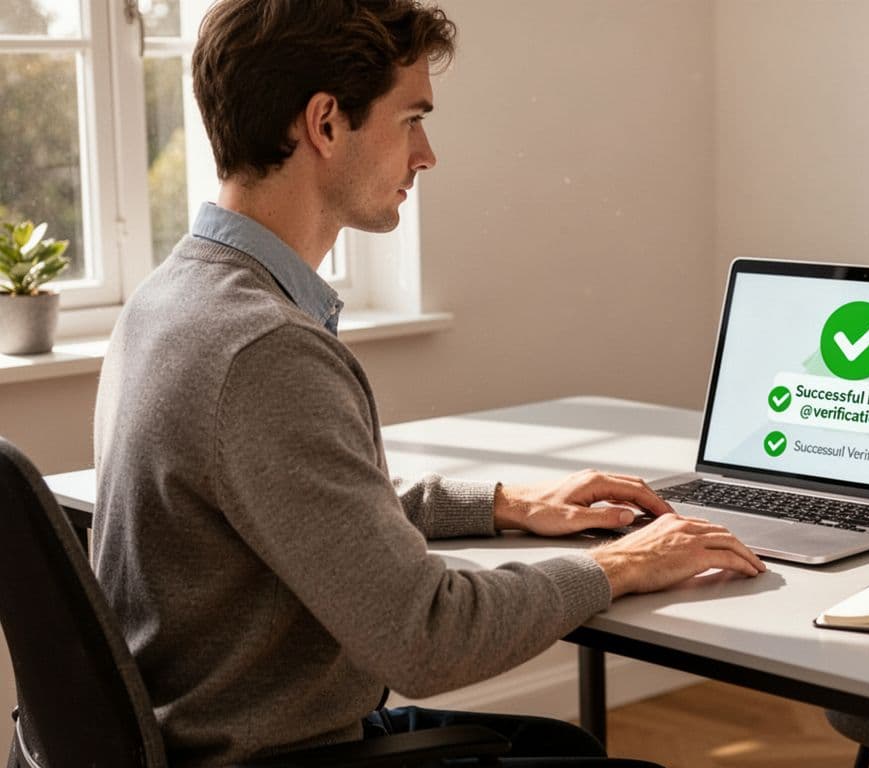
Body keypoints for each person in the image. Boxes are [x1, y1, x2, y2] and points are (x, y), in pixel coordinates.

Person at [90, 1, 765, 766]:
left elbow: (307, 506)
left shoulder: (174, 300)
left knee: (565, 746)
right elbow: (426, 638)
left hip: (216, 738)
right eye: (411, 118)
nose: (427, 154)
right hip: (275, 755)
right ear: (325, 123)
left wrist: (507, 506)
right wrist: (622, 563)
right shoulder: (263, 349)